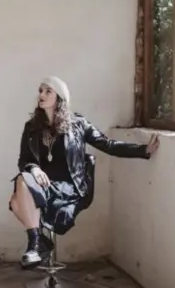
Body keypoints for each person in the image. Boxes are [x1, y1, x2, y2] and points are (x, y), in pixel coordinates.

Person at [9, 76, 160, 269]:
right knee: (21, 184)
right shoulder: (31, 128)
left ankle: (36, 244)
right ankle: (36, 244)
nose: (41, 95)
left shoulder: (77, 124)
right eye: (40, 90)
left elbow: (107, 144)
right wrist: (35, 168)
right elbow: (24, 160)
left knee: (16, 202)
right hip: (44, 183)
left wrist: (142, 150)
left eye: (48, 91)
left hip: (70, 185)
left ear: (60, 97)